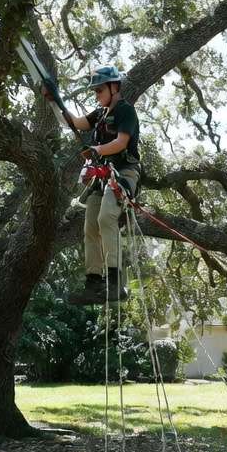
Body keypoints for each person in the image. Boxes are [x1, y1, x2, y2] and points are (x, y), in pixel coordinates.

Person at [44, 65, 142, 305]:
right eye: (95, 91)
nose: (96, 94)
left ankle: (116, 282)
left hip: (123, 173)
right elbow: (74, 123)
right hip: (102, 177)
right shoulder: (99, 114)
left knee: (107, 216)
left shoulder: (125, 111)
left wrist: (96, 149)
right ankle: (94, 283)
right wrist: (54, 101)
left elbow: (121, 142)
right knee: (90, 226)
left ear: (114, 87)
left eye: (99, 90)